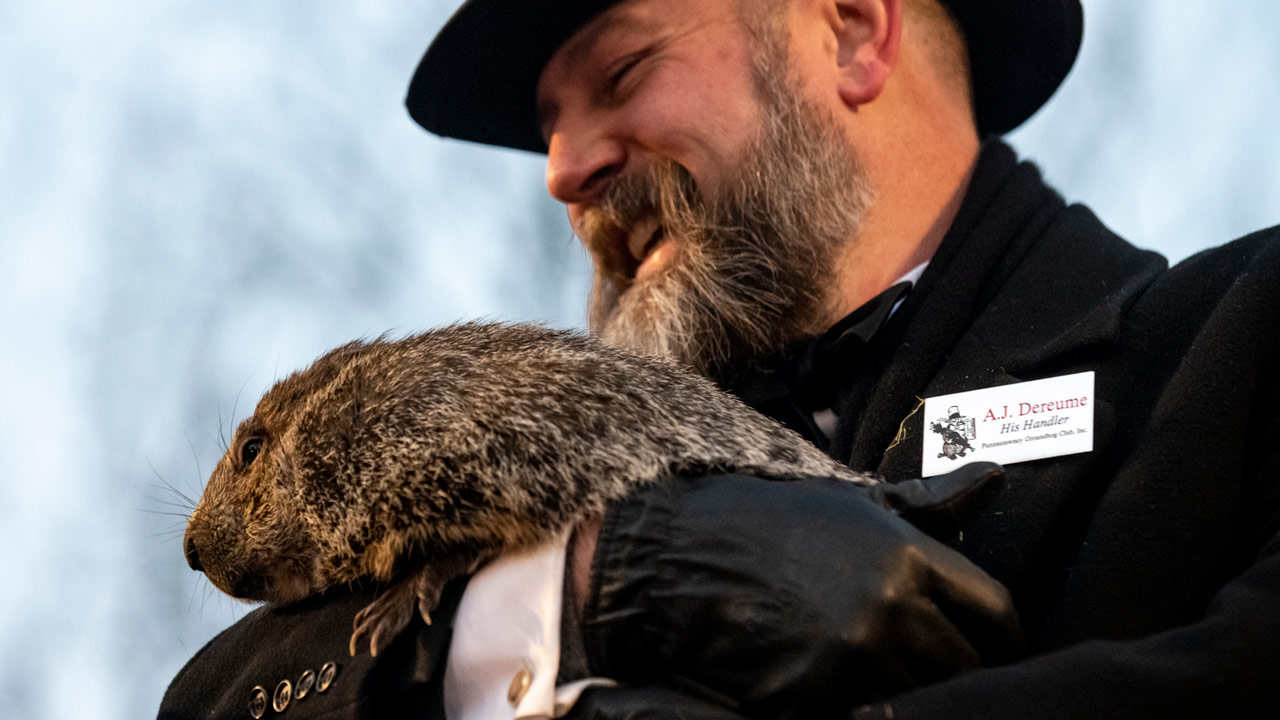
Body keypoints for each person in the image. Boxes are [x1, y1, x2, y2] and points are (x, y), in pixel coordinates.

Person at [159, 0, 1280, 718]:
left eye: (622, 72)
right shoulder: (557, 486)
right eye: (549, 125)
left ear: (850, 28)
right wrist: (580, 589)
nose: (559, 169)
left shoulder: (1232, 340)